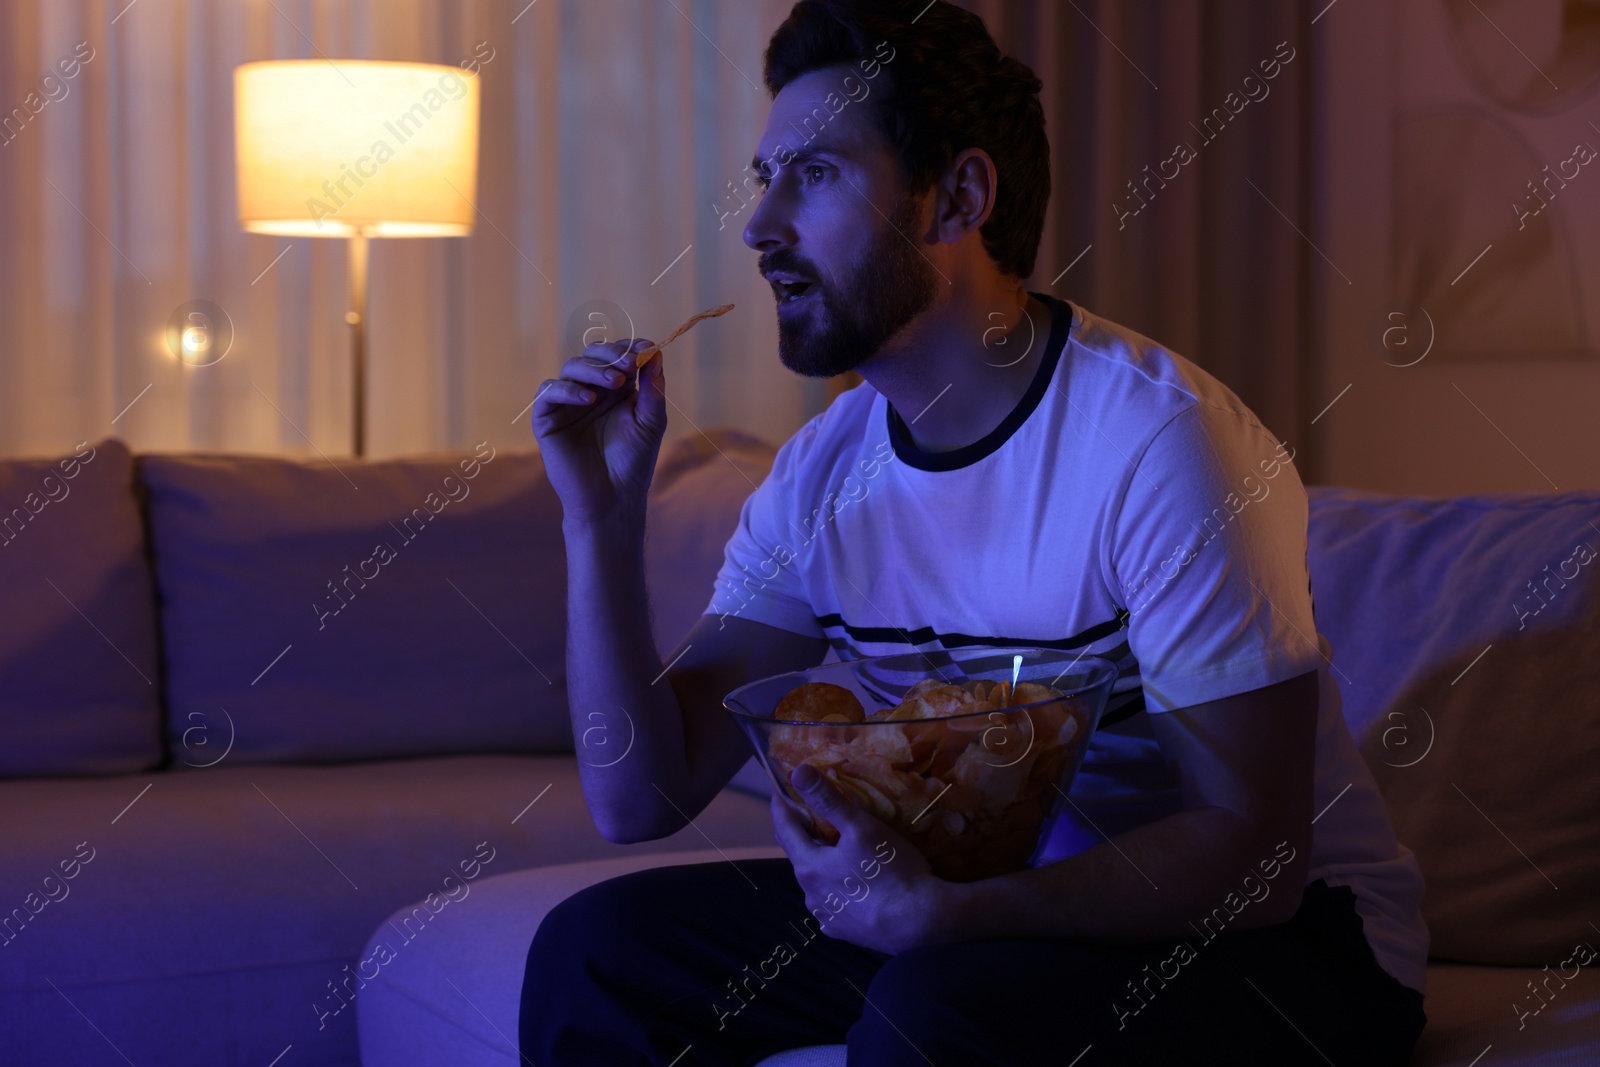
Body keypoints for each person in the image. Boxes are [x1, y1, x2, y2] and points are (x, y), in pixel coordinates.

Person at [521, 2, 1428, 1063]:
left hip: (1292, 941)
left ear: (958, 196)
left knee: (935, 1011)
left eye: (812, 176)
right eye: (765, 177)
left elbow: (1254, 857)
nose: (759, 223)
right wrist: (600, 518)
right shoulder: (821, 472)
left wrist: (956, 917)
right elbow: (641, 792)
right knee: (595, 952)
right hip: (993, 900)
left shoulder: (1157, 446)